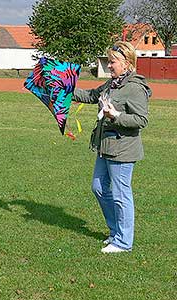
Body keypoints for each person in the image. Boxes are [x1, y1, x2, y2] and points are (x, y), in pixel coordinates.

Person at [73, 41, 151, 253]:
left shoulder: (134, 88)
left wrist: (115, 116)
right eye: (109, 61)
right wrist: (67, 89)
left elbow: (141, 120)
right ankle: (116, 231)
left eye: (113, 62)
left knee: (120, 193)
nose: (109, 66)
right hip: (105, 146)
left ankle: (124, 242)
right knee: (98, 188)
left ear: (127, 63)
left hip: (123, 148)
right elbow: (90, 96)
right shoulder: (111, 84)